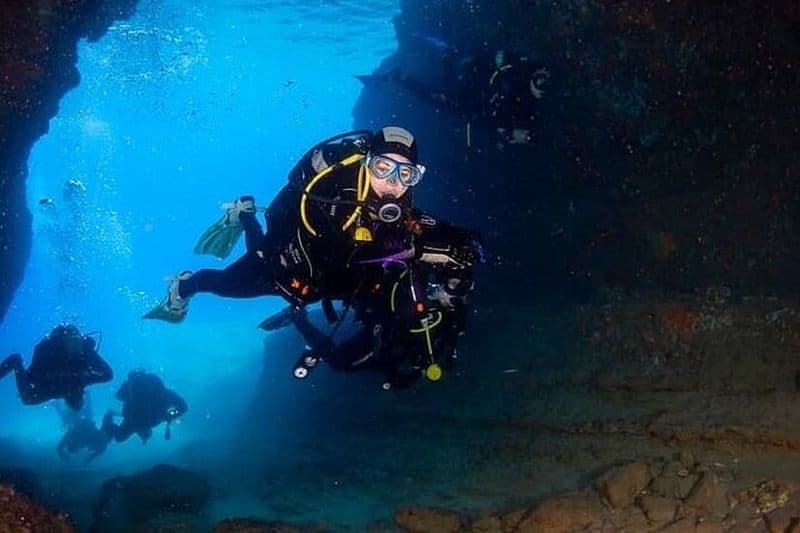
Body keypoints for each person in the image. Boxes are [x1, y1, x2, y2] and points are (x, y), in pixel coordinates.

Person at [145, 126, 429, 323]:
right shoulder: (338, 196)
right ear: (367, 163)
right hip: (281, 263)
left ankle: (243, 211)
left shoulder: (399, 206)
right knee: (223, 282)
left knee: (257, 247)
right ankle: (182, 287)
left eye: (406, 174)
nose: (393, 183)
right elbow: (339, 255)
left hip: (315, 280)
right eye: (383, 168)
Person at [267, 216, 480, 389]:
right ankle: (296, 316)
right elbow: (389, 339)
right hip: (373, 304)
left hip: (386, 321)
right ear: (437, 285)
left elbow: (438, 346)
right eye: (456, 286)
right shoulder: (414, 289)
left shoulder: (453, 310)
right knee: (343, 362)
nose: (462, 294)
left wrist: (412, 371)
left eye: (466, 286)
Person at [358, 47, 550, 146]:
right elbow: (497, 58)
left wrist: (518, 135)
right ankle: (402, 76)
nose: (540, 87)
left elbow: (503, 127)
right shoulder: (523, 68)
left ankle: (401, 77)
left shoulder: (532, 107)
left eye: (544, 87)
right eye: (540, 80)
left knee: (435, 97)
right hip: (474, 87)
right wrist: (475, 63)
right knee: (437, 91)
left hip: (470, 108)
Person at [0, 325, 113, 410]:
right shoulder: (81, 381)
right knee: (28, 394)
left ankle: (15, 361)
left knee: (30, 386)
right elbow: (108, 375)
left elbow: (108, 375)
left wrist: (87, 350)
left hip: (49, 359)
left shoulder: (82, 381)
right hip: (50, 360)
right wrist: (88, 351)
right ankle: (16, 361)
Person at [101, 370, 187, 444]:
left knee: (120, 437)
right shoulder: (165, 394)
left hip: (136, 420)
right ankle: (108, 418)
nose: (145, 392)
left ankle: (108, 419)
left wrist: (168, 415)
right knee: (121, 437)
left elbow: (183, 407)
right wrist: (169, 415)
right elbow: (183, 407)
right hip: (139, 420)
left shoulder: (163, 394)